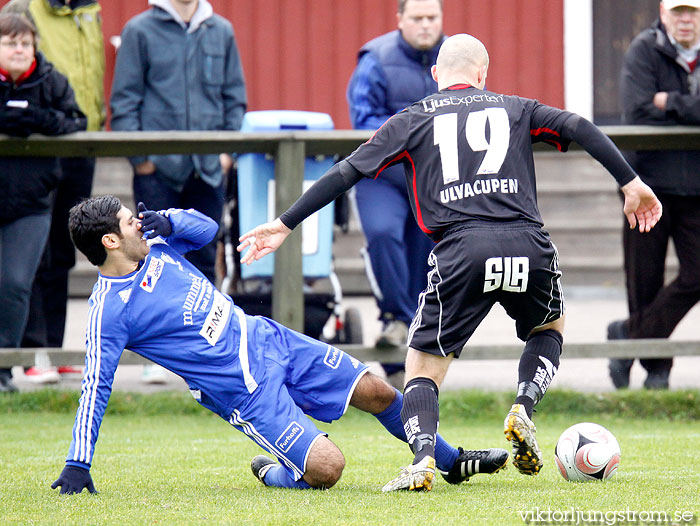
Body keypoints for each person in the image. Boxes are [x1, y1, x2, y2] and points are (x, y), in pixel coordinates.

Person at [237, 34, 663, 492]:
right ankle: (523, 404)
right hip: (528, 244)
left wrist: (285, 223)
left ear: (437, 75)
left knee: (423, 368)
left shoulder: (412, 119)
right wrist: (630, 181)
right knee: (548, 329)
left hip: (463, 249)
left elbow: (348, 171)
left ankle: (422, 461)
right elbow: (579, 125)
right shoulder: (516, 107)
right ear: (483, 73)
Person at [50, 195, 508, 494]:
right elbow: (95, 386)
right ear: (110, 241)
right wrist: (77, 463)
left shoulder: (156, 241)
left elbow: (208, 232)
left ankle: (449, 460)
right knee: (328, 470)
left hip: (268, 338)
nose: (141, 223)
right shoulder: (109, 310)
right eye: (132, 222)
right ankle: (274, 472)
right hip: (246, 393)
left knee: (379, 391)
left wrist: (168, 220)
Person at [110, 0, 246, 384]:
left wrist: (225, 154)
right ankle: (162, 355)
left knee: (205, 255)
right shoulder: (140, 30)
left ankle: (205, 352)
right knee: (152, 262)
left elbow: (235, 100)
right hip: (158, 169)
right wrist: (142, 161)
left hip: (207, 169)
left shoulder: (221, 30)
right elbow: (124, 101)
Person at [1, 0, 106, 384]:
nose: (18, 48)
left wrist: (39, 119)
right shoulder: (24, 7)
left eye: (24, 43)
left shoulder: (88, 14)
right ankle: (28, 353)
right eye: (11, 42)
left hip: (56, 170)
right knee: (25, 269)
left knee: (51, 260)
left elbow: (79, 110)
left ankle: (44, 352)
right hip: (19, 181)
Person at [346, 0, 445, 387]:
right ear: (400, 20)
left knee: (429, 255)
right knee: (383, 236)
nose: (425, 25)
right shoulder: (376, 58)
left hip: (434, 179)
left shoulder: (455, 55)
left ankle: (410, 340)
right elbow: (362, 117)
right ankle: (398, 319)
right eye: (417, 18)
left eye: (431, 18)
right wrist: (409, 136)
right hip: (383, 175)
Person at [607, 0, 700, 390]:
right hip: (646, 186)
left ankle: (626, 333)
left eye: (692, 12)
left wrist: (670, 102)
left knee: (697, 274)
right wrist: (687, 108)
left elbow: (657, 105)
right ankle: (657, 371)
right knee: (643, 281)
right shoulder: (644, 49)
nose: (685, 20)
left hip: (696, 187)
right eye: (678, 12)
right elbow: (638, 109)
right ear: (663, 13)